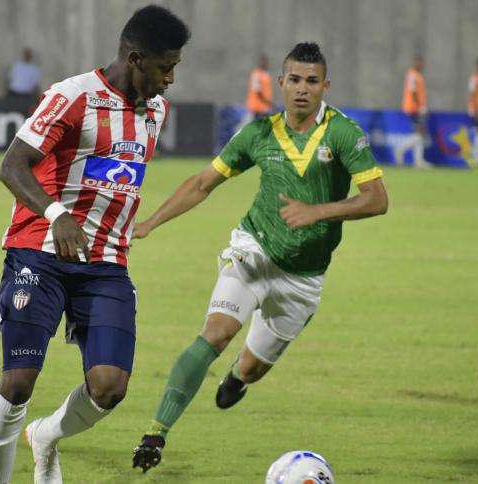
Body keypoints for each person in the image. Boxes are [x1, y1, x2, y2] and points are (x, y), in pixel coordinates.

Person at [131, 42, 389, 473]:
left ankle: (237, 378)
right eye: (294, 80)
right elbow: (201, 184)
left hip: (303, 278)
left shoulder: (344, 134)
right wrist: (150, 222)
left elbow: (377, 200)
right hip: (253, 251)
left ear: (325, 86)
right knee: (215, 334)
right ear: (281, 83)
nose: (302, 90)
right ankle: (156, 432)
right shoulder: (258, 134)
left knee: (250, 370)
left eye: (311, 81)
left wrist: (317, 212)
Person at [0, 5, 190, 484]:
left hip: (106, 263)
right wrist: (57, 215)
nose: (171, 79)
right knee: (17, 382)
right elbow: (12, 165)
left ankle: (46, 436)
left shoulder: (156, 110)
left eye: (175, 67)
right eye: (165, 67)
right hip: (40, 250)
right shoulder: (72, 96)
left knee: (109, 387)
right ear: (136, 58)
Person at [394, 54, 431, 168]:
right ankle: (399, 151)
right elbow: (413, 92)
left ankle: (418, 161)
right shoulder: (412, 75)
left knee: (418, 134)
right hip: (413, 107)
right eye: (418, 62)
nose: (420, 64)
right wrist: (420, 106)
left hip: (417, 107)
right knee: (419, 134)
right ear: (414, 62)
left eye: (421, 62)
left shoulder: (418, 75)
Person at [247, 53, 274, 120]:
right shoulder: (256, 74)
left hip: (264, 108)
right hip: (257, 108)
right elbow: (258, 91)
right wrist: (268, 103)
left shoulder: (265, 74)